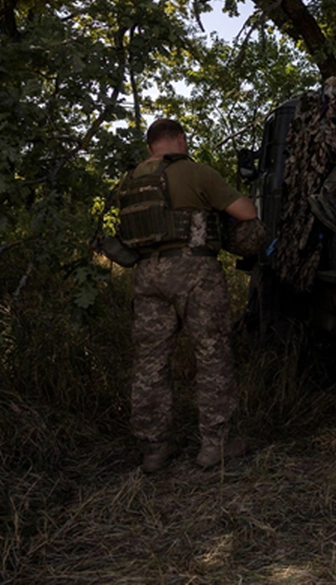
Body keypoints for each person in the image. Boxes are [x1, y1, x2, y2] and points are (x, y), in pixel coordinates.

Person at [115, 118, 257, 473]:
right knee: (211, 354)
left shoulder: (128, 181)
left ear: (150, 146)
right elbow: (247, 213)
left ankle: (155, 448)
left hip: (148, 275)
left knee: (150, 362)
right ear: (180, 139)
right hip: (195, 272)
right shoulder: (196, 172)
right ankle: (215, 446)